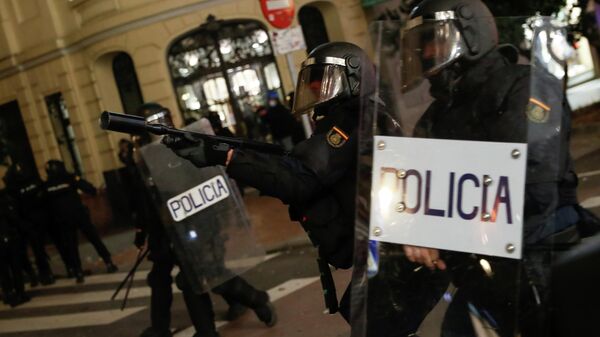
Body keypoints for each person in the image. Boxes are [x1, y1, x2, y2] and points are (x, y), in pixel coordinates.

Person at [378, 0, 582, 336]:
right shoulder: (435, 117)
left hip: (542, 249)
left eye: (434, 39)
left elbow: (529, 175)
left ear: (471, 34)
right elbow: (414, 189)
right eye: (420, 44)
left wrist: (440, 225)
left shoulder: (526, 86)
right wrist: (408, 226)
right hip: (481, 263)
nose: (426, 51)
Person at [163, 41, 376, 321]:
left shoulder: (350, 123)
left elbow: (298, 178)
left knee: (364, 314)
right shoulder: (357, 117)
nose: (315, 89)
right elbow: (296, 164)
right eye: (312, 83)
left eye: (322, 81)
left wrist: (228, 157)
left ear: (352, 76)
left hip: (384, 245)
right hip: (376, 242)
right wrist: (229, 152)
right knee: (359, 311)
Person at [123, 103, 276, 337]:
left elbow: (204, 184)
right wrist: (142, 232)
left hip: (194, 228)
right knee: (168, 280)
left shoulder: (183, 148)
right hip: (165, 232)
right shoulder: (145, 161)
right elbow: (145, 203)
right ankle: (169, 329)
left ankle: (254, 300)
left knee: (203, 277)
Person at [44, 160, 117, 283]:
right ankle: (108, 262)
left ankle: (78, 271)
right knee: (94, 238)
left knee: (71, 245)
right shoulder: (69, 178)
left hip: (63, 219)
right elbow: (87, 187)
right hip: (78, 214)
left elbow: (45, 205)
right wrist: (94, 191)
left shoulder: (47, 185)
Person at [3, 163, 55, 285]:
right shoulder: (30, 182)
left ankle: (38, 274)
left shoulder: (13, 189)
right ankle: (42, 274)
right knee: (36, 250)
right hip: (31, 222)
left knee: (28, 251)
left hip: (25, 223)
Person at [0, 190, 30, 307]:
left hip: (6, 239)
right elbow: (14, 219)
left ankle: (9, 293)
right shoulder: (6, 201)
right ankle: (19, 293)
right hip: (9, 239)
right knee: (14, 267)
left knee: (4, 270)